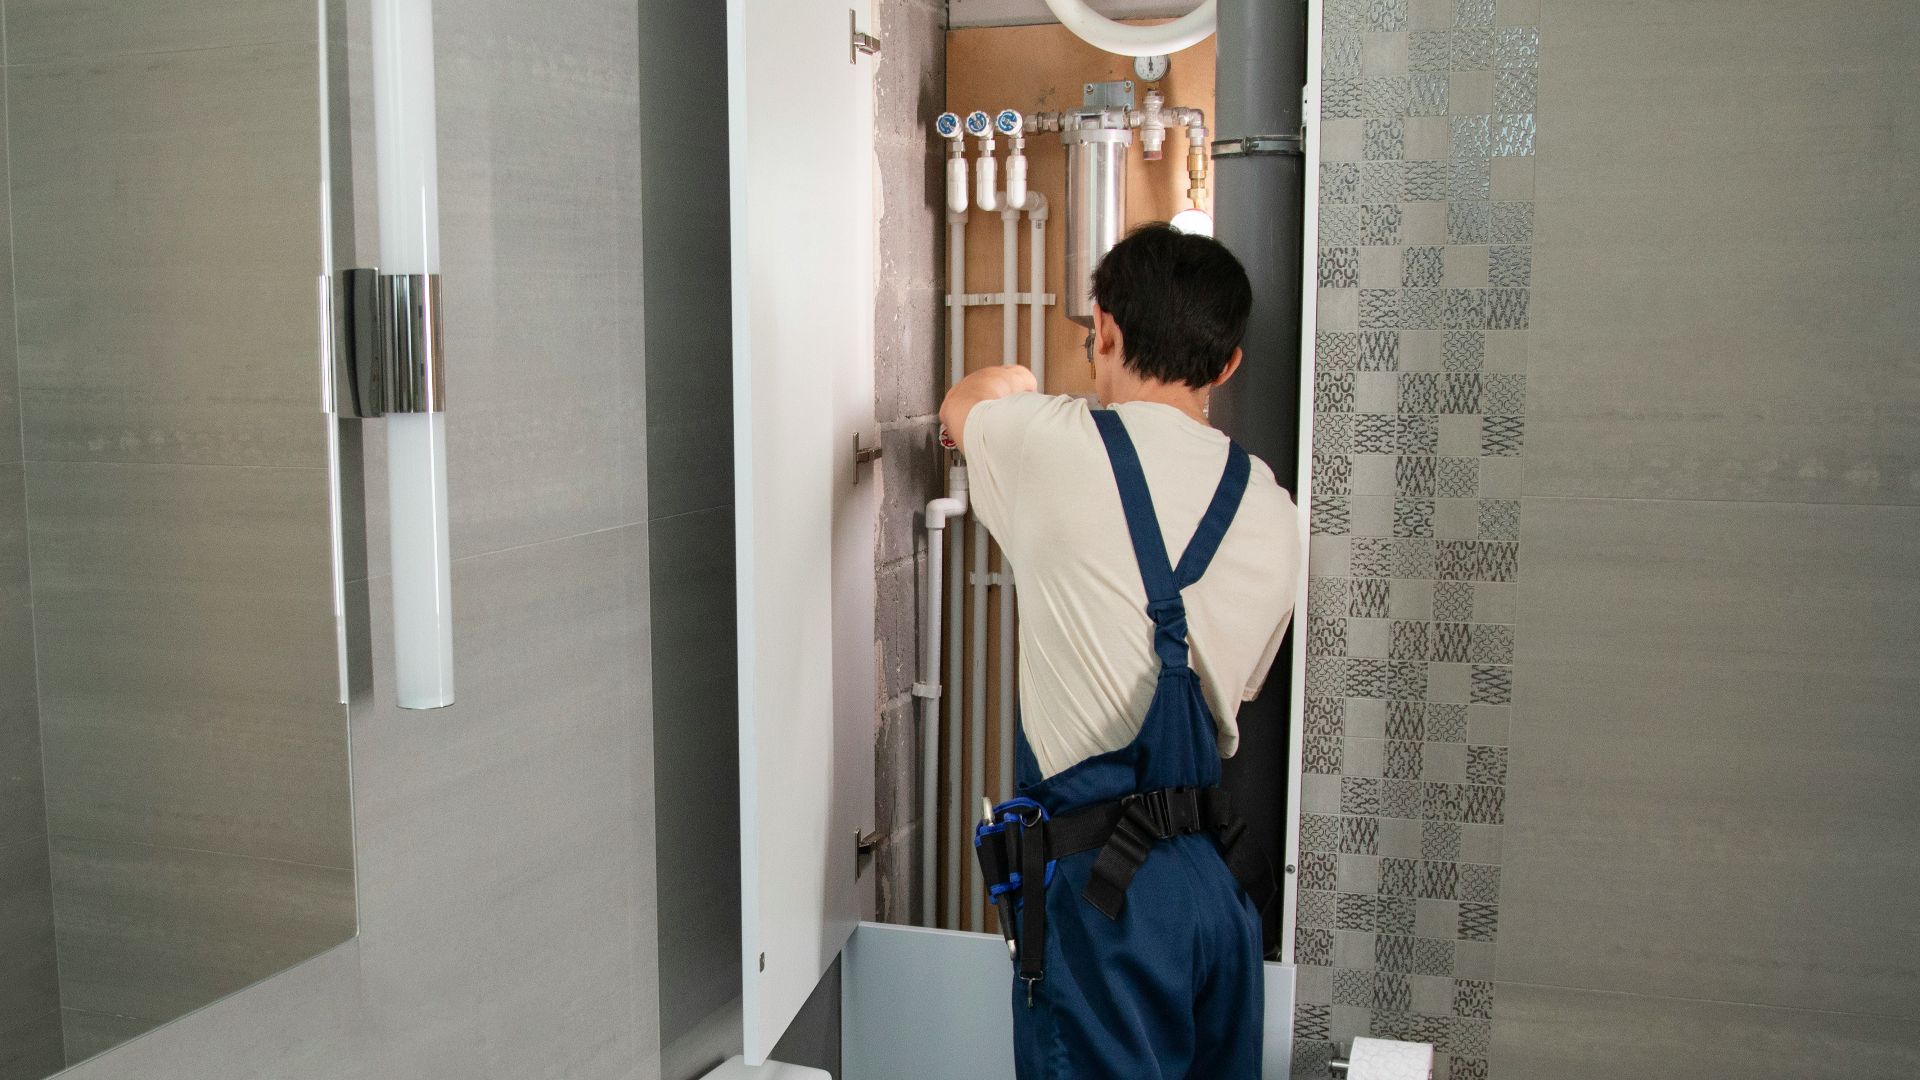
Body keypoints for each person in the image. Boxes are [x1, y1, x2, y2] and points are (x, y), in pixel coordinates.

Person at [940, 222, 1300, 1079]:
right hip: (1215, 901)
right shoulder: (1273, 509)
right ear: (1226, 366)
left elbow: (965, 403)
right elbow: (1233, 689)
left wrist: (1023, 378)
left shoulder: (1050, 443)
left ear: (1102, 330)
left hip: (1105, 899)